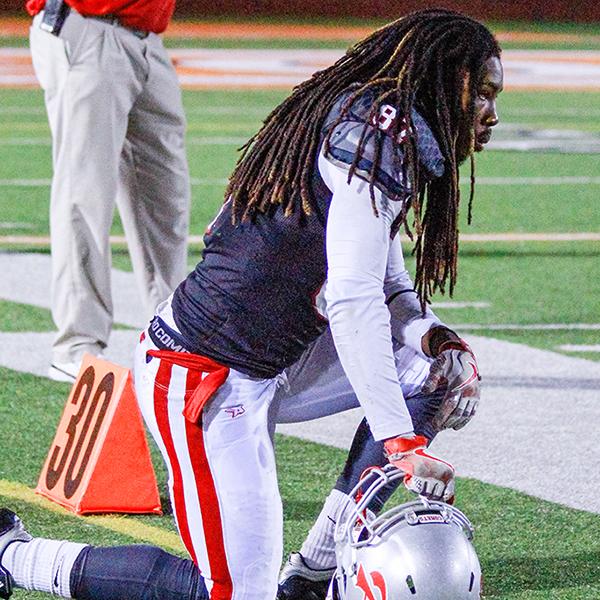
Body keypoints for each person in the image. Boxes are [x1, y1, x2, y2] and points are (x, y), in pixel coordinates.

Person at [0, 8, 503, 600]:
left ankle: (314, 568)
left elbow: (388, 290)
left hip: (272, 358)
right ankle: (17, 558)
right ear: (445, 81)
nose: (493, 113)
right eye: (485, 94)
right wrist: (399, 441)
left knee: (436, 379)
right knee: (235, 593)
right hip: (202, 372)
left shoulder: (389, 128)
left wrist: (436, 338)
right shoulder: (377, 133)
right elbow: (350, 297)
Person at [26, 0, 191, 382]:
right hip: (90, 25)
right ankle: (77, 344)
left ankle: (174, 334)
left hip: (146, 34)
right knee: (85, 194)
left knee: (166, 197)